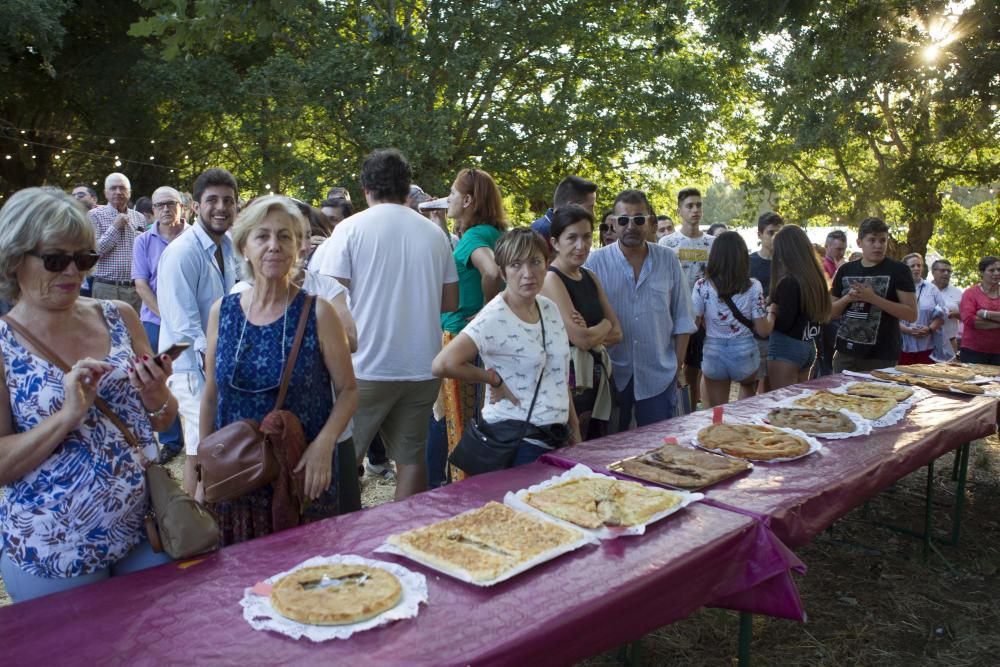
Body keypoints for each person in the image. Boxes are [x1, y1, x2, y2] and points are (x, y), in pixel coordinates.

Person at [0, 187, 178, 602]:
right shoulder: (4, 343)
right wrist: (66, 416)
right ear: (13, 260)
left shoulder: (119, 315)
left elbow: (164, 421)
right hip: (53, 547)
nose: (73, 273)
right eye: (55, 259)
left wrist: (156, 398)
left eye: (84, 259)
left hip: (144, 526)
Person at [201, 196, 358, 544]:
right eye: (263, 236)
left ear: (299, 246)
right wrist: (201, 464)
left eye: (285, 236)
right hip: (236, 474)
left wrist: (324, 444)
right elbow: (211, 393)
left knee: (304, 579)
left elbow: (348, 390)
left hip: (300, 472)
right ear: (244, 246)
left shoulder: (319, 313)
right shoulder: (221, 312)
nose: (274, 246)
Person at [310, 149, 458, 500]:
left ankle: (345, 539)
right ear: (408, 190)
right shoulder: (435, 235)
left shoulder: (348, 230)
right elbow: (450, 302)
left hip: (365, 367)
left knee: (346, 458)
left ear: (365, 189)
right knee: (410, 460)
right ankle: (403, 536)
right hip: (422, 366)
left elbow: (327, 298)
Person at [432, 228, 580, 469]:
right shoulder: (494, 315)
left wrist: (574, 430)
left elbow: (558, 375)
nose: (527, 274)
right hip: (517, 441)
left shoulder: (549, 308)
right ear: (502, 271)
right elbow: (442, 364)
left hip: (556, 435)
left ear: (547, 263)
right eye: (515, 265)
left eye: (535, 262)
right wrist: (492, 379)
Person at [157, 168, 243, 494]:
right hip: (190, 368)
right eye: (213, 200)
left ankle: (204, 516)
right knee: (200, 446)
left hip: (218, 363)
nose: (221, 207)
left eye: (228, 201)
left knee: (205, 446)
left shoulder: (232, 246)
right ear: (195, 206)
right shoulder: (182, 253)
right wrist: (213, 370)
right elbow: (184, 327)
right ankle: (195, 521)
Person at [586, 189, 695, 429]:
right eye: (623, 220)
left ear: (649, 222)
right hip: (611, 377)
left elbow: (683, 319)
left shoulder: (668, 260)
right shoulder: (594, 263)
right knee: (609, 453)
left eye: (638, 219)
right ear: (613, 224)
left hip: (659, 376)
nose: (630, 226)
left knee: (657, 450)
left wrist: (675, 368)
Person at [430, 168, 507, 484]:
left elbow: (491, 272)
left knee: (452, 420)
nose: (447, 198)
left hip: (461, 339)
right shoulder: (489, 232)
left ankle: (445, 490)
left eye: (452, 191)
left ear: (468, 199)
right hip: (471, 340)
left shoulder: (476, 237)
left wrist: (487, 312)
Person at [542, 205, 622, 438]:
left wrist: (594, 330)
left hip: (598, 383)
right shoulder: (551, 279)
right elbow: (582, 339)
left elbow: (619, 333)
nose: (581, 245)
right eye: (572, 238)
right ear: (555, 242)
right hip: (570, 387)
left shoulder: (589, 276)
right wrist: (604, 325)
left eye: (586, 237)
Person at [132, 186, 187, 463]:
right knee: (159, 379)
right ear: (152, 210)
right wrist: (167, 317)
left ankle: (204, 435)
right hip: (155, 321)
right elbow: (141, 284)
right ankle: (170, 440)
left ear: (182, 207)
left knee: (196, 375)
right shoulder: (143, 241)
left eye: (171, 203)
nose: (166, 209)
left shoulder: (195, 237)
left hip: (192, 322)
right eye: (159, 205)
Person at [692, 232, 771, 406]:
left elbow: (694, 324)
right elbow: (762, 330)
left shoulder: (701, 285)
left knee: (718, 410)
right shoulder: (753, 286)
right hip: (745, 351)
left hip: (713, 350)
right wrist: (772, 313)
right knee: (744, 408)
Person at [829, 217, 917, 372]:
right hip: (845, 353)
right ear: (859, 243)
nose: (878, 245)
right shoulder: (845, 270)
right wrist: (847, 298)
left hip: (881, 356)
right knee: (839, 395)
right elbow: (830, 312)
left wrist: (873, 298)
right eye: (872, 240)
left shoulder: (898, 270)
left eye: (883, 241)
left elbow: (911, 314)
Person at [659, 187, 713, 410]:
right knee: (672, 367)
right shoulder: (667, 244)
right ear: (679, 210)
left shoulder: (713, 243)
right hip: (674, 314)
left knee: (696, 369)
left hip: (705, 317)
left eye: (698, 205)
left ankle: (692, 411)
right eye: (690, 206)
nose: (695, 210)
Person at [766, 225, 831, 389]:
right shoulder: (816, 279)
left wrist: (771, 312)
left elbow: (784, 323)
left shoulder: (788, 282)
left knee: (782, 405)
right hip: (808, 346)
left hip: (786, 348)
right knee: (798, 403)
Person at [87, 172, 146, 314]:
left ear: (129, 192)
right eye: (113, 188)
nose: (118, 192)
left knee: (134, 333)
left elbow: (144, 252)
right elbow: (94, 253)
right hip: (106, 287)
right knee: (106, 333)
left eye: (122, 188)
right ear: (105, 193)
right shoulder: (94, 215)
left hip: (135, 289)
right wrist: (115, 227)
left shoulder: (139, 217)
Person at [748, 212, 784, 394]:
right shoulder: (749, 262)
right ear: (760, 234)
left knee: (772, 389)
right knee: (750, 384)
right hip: (755, 333)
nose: (775, 237)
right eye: (770, 232)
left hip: (782, 332)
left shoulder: (786, 262)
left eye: (779, 233)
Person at [898, 253, 947, 365]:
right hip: (902, 346)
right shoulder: (896, 288)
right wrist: (907, 330)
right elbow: (890, 316)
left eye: (919, 265)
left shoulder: (932, 289)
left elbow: (941, 314)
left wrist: (929, 329)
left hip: (927, 346)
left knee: (925, 380)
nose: (917, 268)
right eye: (913, 266)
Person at [958, 256, 1000, 364]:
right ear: (981, 272)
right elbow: (970, 320)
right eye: (991, 270)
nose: (996, 273)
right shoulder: (970, 293)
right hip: (973, 351)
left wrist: (985, 313)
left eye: (999, 270)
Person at [530, 175, 598, 241]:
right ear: (571, 206)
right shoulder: (540, 233)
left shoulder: (560, 229)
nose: (593, 215)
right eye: (590, 207)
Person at [930, 259, 963, 353]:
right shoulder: (922, 289)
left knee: (948, 368)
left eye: (949, 271)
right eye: (942, 270)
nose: (946, 273)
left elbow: (966, 317)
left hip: (949, 342)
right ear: (933, 272)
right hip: (925, 341)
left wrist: (955, 314)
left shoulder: (957, 292)